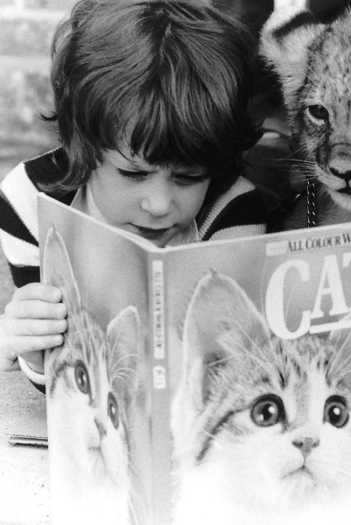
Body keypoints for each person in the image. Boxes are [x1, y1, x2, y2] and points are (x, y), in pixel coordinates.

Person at [0, 0, 273, 385]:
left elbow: (230, 368)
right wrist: (30, 347)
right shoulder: (29, 200)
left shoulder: (232, 207)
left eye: (187, 177)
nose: (159, 205)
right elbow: (53, 380)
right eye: (132, 173)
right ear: (86, 145)